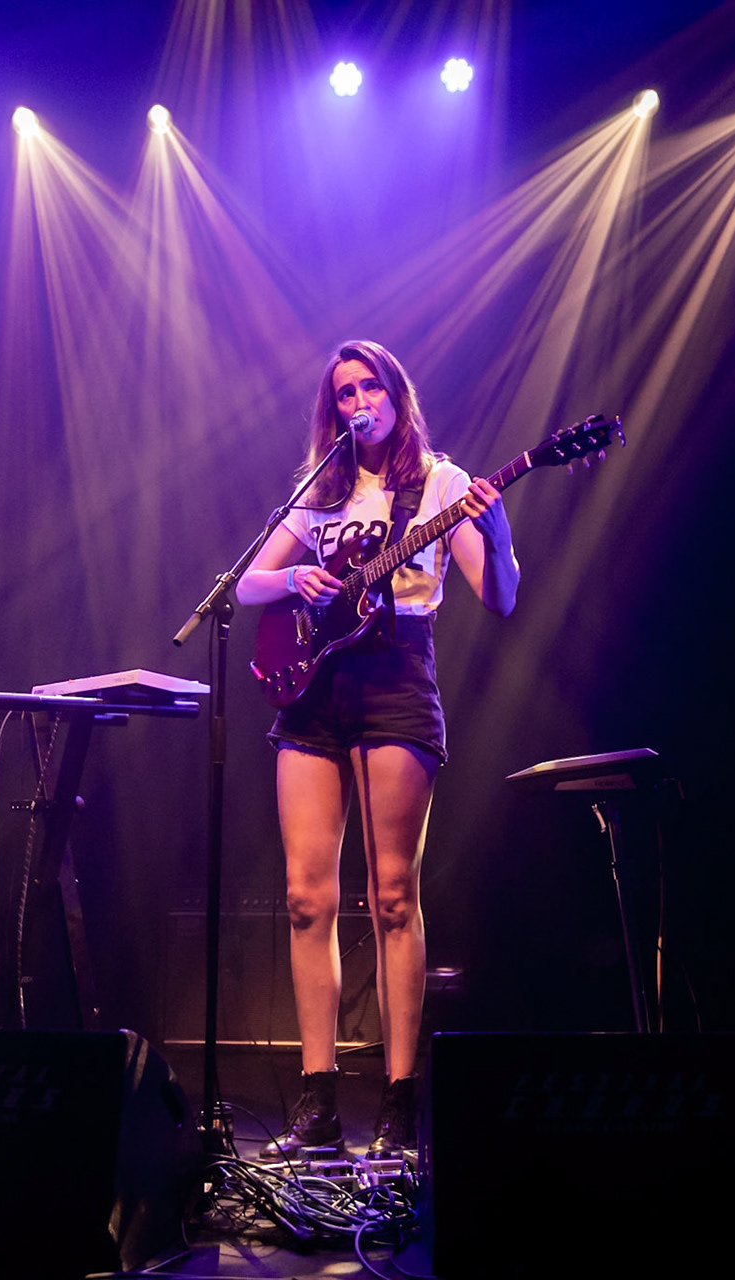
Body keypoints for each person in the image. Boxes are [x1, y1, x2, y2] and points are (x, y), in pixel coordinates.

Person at [236, 340, 519, 1158]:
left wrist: (495, 535)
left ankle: (400, 1100)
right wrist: (297, 580)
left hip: (397, 679)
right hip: (315, 690)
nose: (359, 400)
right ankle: (317, 1100)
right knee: (303, 897)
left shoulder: (440, 482)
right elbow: (250, 583)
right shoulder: (320, 488)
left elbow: (496, 599)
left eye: (370, 386)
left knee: (393, 895)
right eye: (344, 392)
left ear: (396, 394)